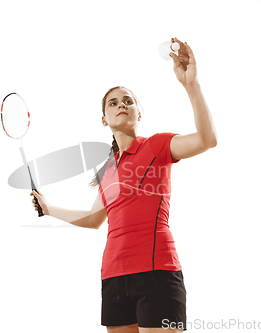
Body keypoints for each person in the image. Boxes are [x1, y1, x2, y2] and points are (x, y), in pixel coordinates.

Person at [31, 37, 217, 333]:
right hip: (114, 277)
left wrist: (190, 85)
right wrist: (49, 208)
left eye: (128, 100)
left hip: (156, 271)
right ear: (104, 119)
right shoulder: (107, 171)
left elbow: (207, 140)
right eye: (113, 103)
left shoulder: (157, 146)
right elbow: (94, 220)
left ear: (138, 113)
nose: (122, 105)